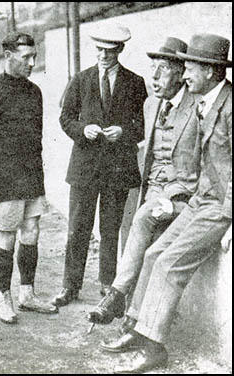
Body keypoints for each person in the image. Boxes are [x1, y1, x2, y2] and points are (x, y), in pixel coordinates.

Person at [99, 33, 232, 374]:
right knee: (154, 253)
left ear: (211, 72)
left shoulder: (229, 106)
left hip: (219, 207)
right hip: (200, 201)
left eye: (191, 69)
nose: (186, 75)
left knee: (169, 263)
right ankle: (137, 326)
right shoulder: (209, 100)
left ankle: (153, 346)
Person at [87, 37, 202, 334]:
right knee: (140, 233)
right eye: (152, 69)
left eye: (162, 70)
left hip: (182, 192)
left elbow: (207, 163)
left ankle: (119, 299)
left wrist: (175, 198)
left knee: (142, 222)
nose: (153, 77)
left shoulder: (198, 106)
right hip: (151, 187)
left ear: (180, 73)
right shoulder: (151, 104)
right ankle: (132, 317)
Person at [52, 24, 148, 307]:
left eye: (109, 51)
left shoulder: (134, 83)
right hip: (85, 167)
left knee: (110, 228)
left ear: (120, 50)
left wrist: (124, 132)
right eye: (99, 50)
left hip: (118, 168)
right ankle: (70, 287)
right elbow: (65, 119)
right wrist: (83, 130)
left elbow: (141, 127)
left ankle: (107, 284)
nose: (104, 56)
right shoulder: (81, 80)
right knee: (78, 228)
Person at [0, 31, 58, 324]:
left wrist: (37, 174)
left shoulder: (34, 91)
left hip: (31, 175)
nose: (32, 62)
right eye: (26, 57)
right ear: (8, 56)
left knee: (33, 233)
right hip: (5, 178)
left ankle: (27, 294)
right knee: (6, 239)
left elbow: (35, 138)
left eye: (34, 57)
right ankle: (4, 298)